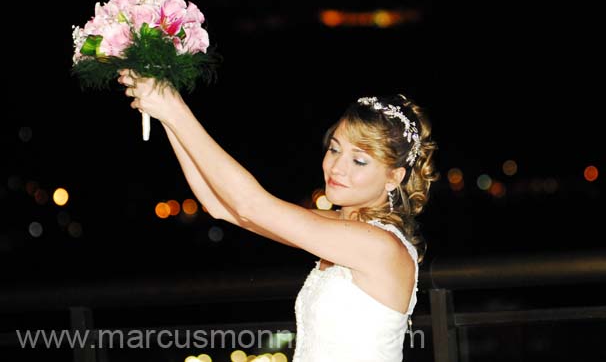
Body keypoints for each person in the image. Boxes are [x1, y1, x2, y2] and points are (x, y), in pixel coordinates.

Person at [118, 70, 438, 361]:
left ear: (394, 177)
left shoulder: (377, 245)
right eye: (335, 149)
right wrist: (167, 117)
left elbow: (252, 205)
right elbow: (222, 207)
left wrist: (175, 108)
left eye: (360, 161)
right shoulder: (342, 228)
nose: (337, 167)